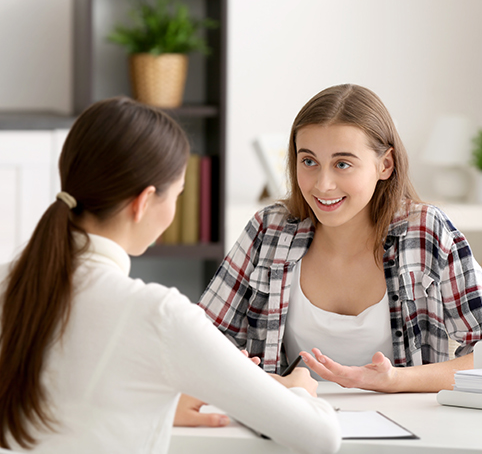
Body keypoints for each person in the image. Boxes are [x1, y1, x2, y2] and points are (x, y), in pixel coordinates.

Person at [0, 97, 341, 453]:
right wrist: (300, 385)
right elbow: (321, 437)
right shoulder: (159, 314)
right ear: (144, 202)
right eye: (177, 195)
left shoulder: (10, 280)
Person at [199, 83, 482, 394]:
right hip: (295, 429)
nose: (323, 184)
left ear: (384, 165)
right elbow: (201, 341)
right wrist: (263, 380)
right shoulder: (269, 230)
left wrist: (395, 380)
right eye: (309, 161)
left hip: (410, 431)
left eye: (342, 164)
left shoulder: (426, 231)